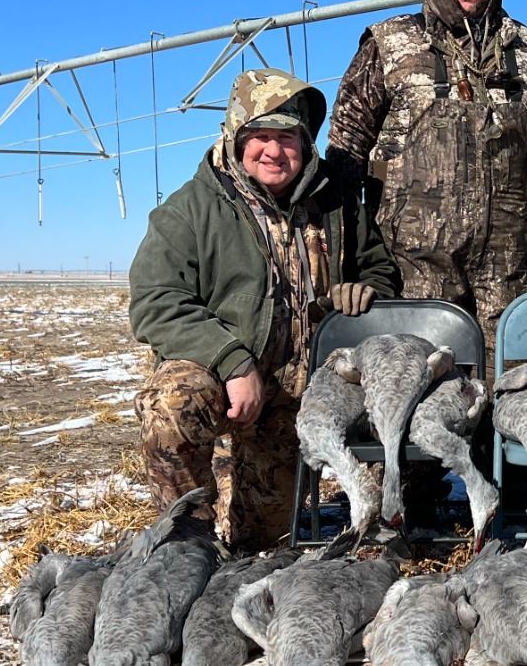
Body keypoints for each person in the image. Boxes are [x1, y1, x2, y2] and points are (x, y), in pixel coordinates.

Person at [130, 69, 396, 548]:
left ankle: (246, 513)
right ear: (236, 139)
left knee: (265, 543)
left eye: (287, 137)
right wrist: (233, 362)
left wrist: (364, 290)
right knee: (171, 403)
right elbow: (156, 302)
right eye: (261, 136)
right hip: (221, 376)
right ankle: (186, 541)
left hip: (303, 392)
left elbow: (380, 269)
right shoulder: (189, 209)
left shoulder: (337, 204)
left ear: (306, 144)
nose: (274, 151)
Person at [327, 0, 527, 328]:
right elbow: (346, 150)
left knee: (514, 366)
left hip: (507, 271)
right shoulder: (390, 42)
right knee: (421, 365)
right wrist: (348, 251)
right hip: (412, 269)